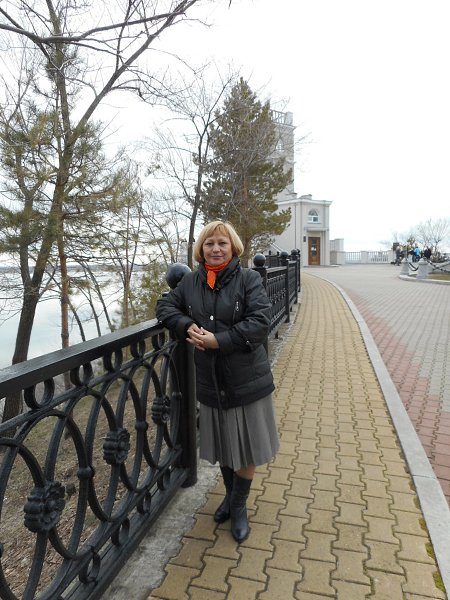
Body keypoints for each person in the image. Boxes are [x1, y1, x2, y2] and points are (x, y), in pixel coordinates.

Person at [156, 220, 279, 543]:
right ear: (201, 249)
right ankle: (229, 495)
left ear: (233, 247)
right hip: (211, 382)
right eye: (209, 244)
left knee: (246, 449)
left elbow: (260, 322)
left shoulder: (249, 279)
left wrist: (218, 341)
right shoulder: (191, 282)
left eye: (222, 243)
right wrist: (185, 325)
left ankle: (238, 506)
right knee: (225, 446)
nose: (215, 249)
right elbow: (164, 306)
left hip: (246, 380)